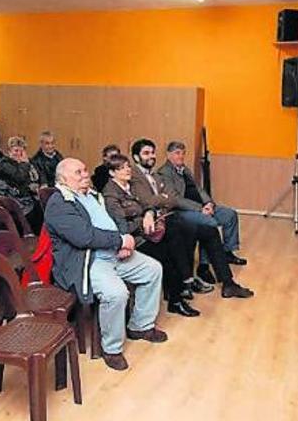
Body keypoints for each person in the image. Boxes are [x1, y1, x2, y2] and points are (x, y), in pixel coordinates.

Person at [45, 158, 167, 371]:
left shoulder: (92, 196)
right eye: (78, 172)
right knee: (116, 293)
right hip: (88, 261)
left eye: (85, 170)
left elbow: (113, 221)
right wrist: (119, 241)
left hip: (112, 252)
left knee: (153, 269)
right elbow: (83, 237)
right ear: (63, 179)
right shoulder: (59, 203)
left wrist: (123, 239)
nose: (85, 174)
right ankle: (111, 349)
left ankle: (140, 326)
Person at [129, 138, 253, 298]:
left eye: (152, 152)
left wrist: (208, 203)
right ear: (136, 157)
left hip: (172, 216)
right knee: (206, 225)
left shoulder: (160, 174)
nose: (151, 156)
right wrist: (165, 199)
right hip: (163, 221)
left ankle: (228, 283)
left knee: (211, 230)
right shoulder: (141, 176)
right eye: (146, 153)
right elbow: (160, 200)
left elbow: (174, 196)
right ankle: (196, 273)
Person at [102, 154, 200, 317]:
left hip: (148, 231)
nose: (127, 170)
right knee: (169, 252)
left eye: (128, 166)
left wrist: (148, 213)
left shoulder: (131, 186)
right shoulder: (111, 195)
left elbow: (147, 204)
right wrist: (143, 221)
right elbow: (122, 227)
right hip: (135, 239)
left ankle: (182, 287)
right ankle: (181, 289)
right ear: (112, 173)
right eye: (122, 168)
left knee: (179, 234)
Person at [158, 140, 246, 284]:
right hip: (182, 211)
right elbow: (175, 199)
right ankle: (204, 265)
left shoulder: (185, 170)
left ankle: (228, 251)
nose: (181, 156)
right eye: (177, 153)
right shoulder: (164, 173)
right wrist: (200, 209)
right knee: (209, 224)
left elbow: (198, 189)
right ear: (168, 155)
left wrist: (209, 203)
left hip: (202, 207)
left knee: (230, 214)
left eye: (183, 153)